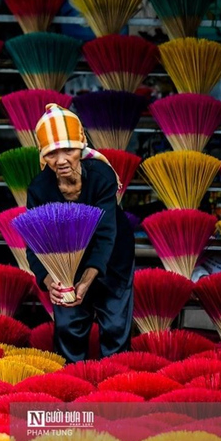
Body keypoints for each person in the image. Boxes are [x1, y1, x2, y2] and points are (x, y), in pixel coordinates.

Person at [25, 103, 135, 363]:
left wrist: (87, 281)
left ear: (82, 145)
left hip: (113, 258)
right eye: (52, 153)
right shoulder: (39, 190)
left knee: (116, 327)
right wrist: (50, 283)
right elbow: (34, 247)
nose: (61, 160)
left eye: (69, 150)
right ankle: (72, 390)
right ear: (42, 155)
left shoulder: (101, 177)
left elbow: (107, 235)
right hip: (66, 268)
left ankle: (115, 391)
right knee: (68, 331)